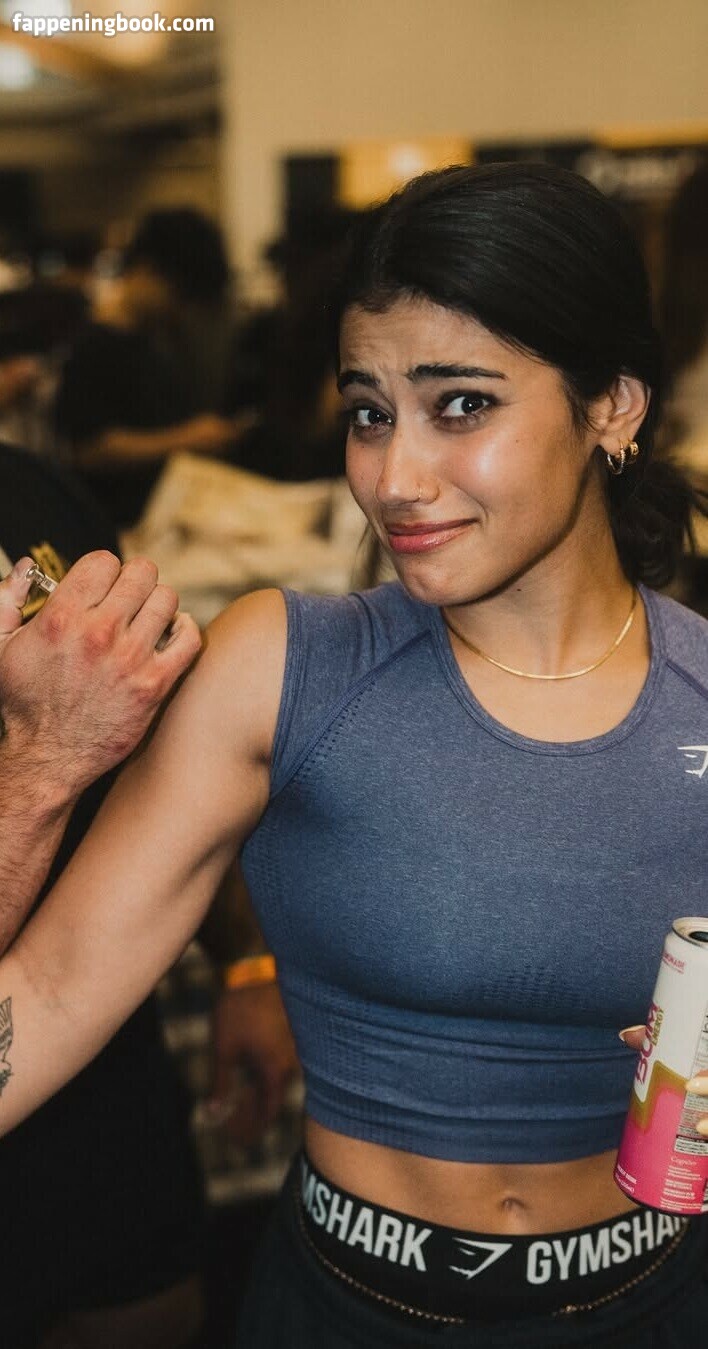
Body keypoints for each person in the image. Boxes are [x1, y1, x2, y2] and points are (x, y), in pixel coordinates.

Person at [3, 162, 708, 1347]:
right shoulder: (287, 666)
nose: (393, 478)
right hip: (346, 1308)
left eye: (462, 405)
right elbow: (52, 993)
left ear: (613, 407)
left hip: (657, 1302)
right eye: (370, 411)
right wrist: (39, 762)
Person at [54, 207, 244, 529]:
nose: (179, 308)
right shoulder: (93, 345)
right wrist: (186, 437)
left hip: (165, 514)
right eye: (178, 294)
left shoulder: (155, 337)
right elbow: (89, 449)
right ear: (146, 270)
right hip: (119, 524)